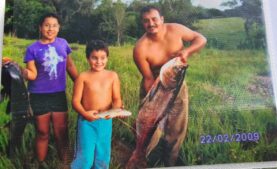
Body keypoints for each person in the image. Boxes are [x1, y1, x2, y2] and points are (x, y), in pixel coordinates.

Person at [132, 5, 206, 166]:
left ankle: (170, 161)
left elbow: (201, 39)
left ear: (162, 19)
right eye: (146, 21)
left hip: (177, 83)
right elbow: (148, 78)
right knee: (150, 129)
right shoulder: (140, 48)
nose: (151, 23)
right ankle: (142, 157)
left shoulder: (176, 29)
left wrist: (187, 52)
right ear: (142, 24)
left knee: (176, 127)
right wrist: (151, 105)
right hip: (154, 86)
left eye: (154, 19)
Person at [22, 13, 78, 165]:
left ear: (59, 28)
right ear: (40, 28)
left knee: (62, 131)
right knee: (42, 132)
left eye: (54, 25)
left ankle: (66, 162)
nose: (50, 29)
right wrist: (21, 71)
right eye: (47, 25)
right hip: (38, 95)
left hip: (58, 94)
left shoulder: (63, 44)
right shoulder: (32, 49)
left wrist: (79, 83)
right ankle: (40, 163)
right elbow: (32, 74)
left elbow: (70, 66)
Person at [71, 40, 123, 169]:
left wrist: (116, 110)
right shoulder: (83, 77)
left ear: (107, 58)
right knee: (85, 157)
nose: (99, 62)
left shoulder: (112, 76)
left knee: (103, 154)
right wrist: (84, 114)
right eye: (94, 58)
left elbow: (117, 99)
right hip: (87, 121)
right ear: (88, 58)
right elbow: (75, 102)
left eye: (102, 58)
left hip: (105, 121)